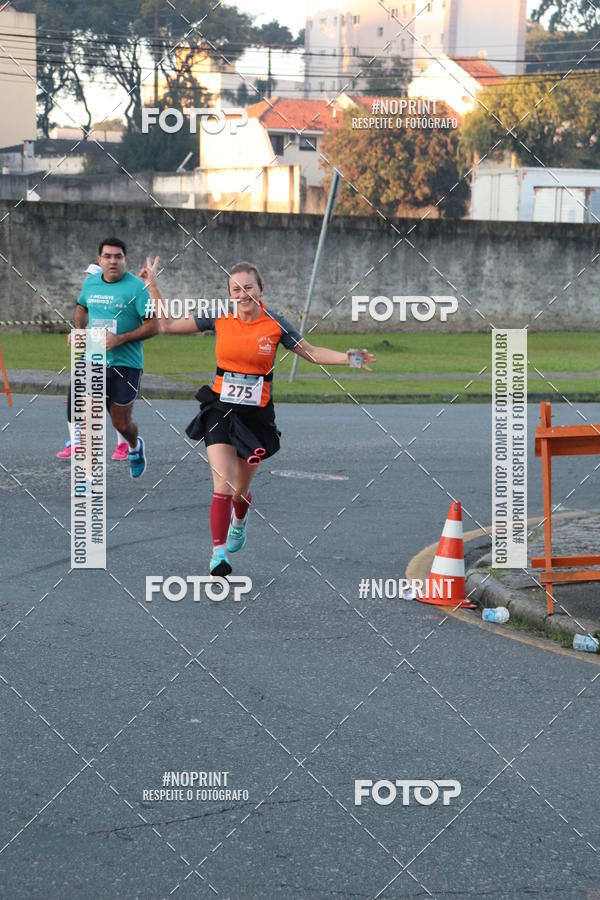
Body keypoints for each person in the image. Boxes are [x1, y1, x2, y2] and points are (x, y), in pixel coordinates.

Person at [140, 256, 375, 576]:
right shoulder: (219, 316)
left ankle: (240, 516)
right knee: (222, 484)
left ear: (261, 289)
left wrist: (350, 359)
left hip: (256, 418)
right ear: (229, 294)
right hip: (220, 409)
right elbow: (167, 325)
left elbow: (313, 353)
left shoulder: (275, 324)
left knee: (238, 491)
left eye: (248, 287)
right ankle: (218, 553)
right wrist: (153, 286)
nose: (242, 294)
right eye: (235, 289)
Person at [71, 238, 159, 479]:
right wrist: (79, 331)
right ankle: (88, 478)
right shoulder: (90, 283)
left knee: (121, 423)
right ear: (99, 260)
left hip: (127, 365)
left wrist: (119, 339)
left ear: (125, 260)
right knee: (90, 419)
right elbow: (81, 307)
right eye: (107, 256)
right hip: (94, 360)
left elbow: (154, 327)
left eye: (117, 256)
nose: (112, 261)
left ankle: (134, 446)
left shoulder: (137, 289)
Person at [56, 264, 129, 461]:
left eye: (91, 277)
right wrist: (77, 333)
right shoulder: (86, 304)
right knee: (74, 400)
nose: (87, 281)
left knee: (112, 405)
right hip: (89, 359)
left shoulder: (113, 305)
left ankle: (123, 444)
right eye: (86, 277)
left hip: (112, 360)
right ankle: (76, 444)